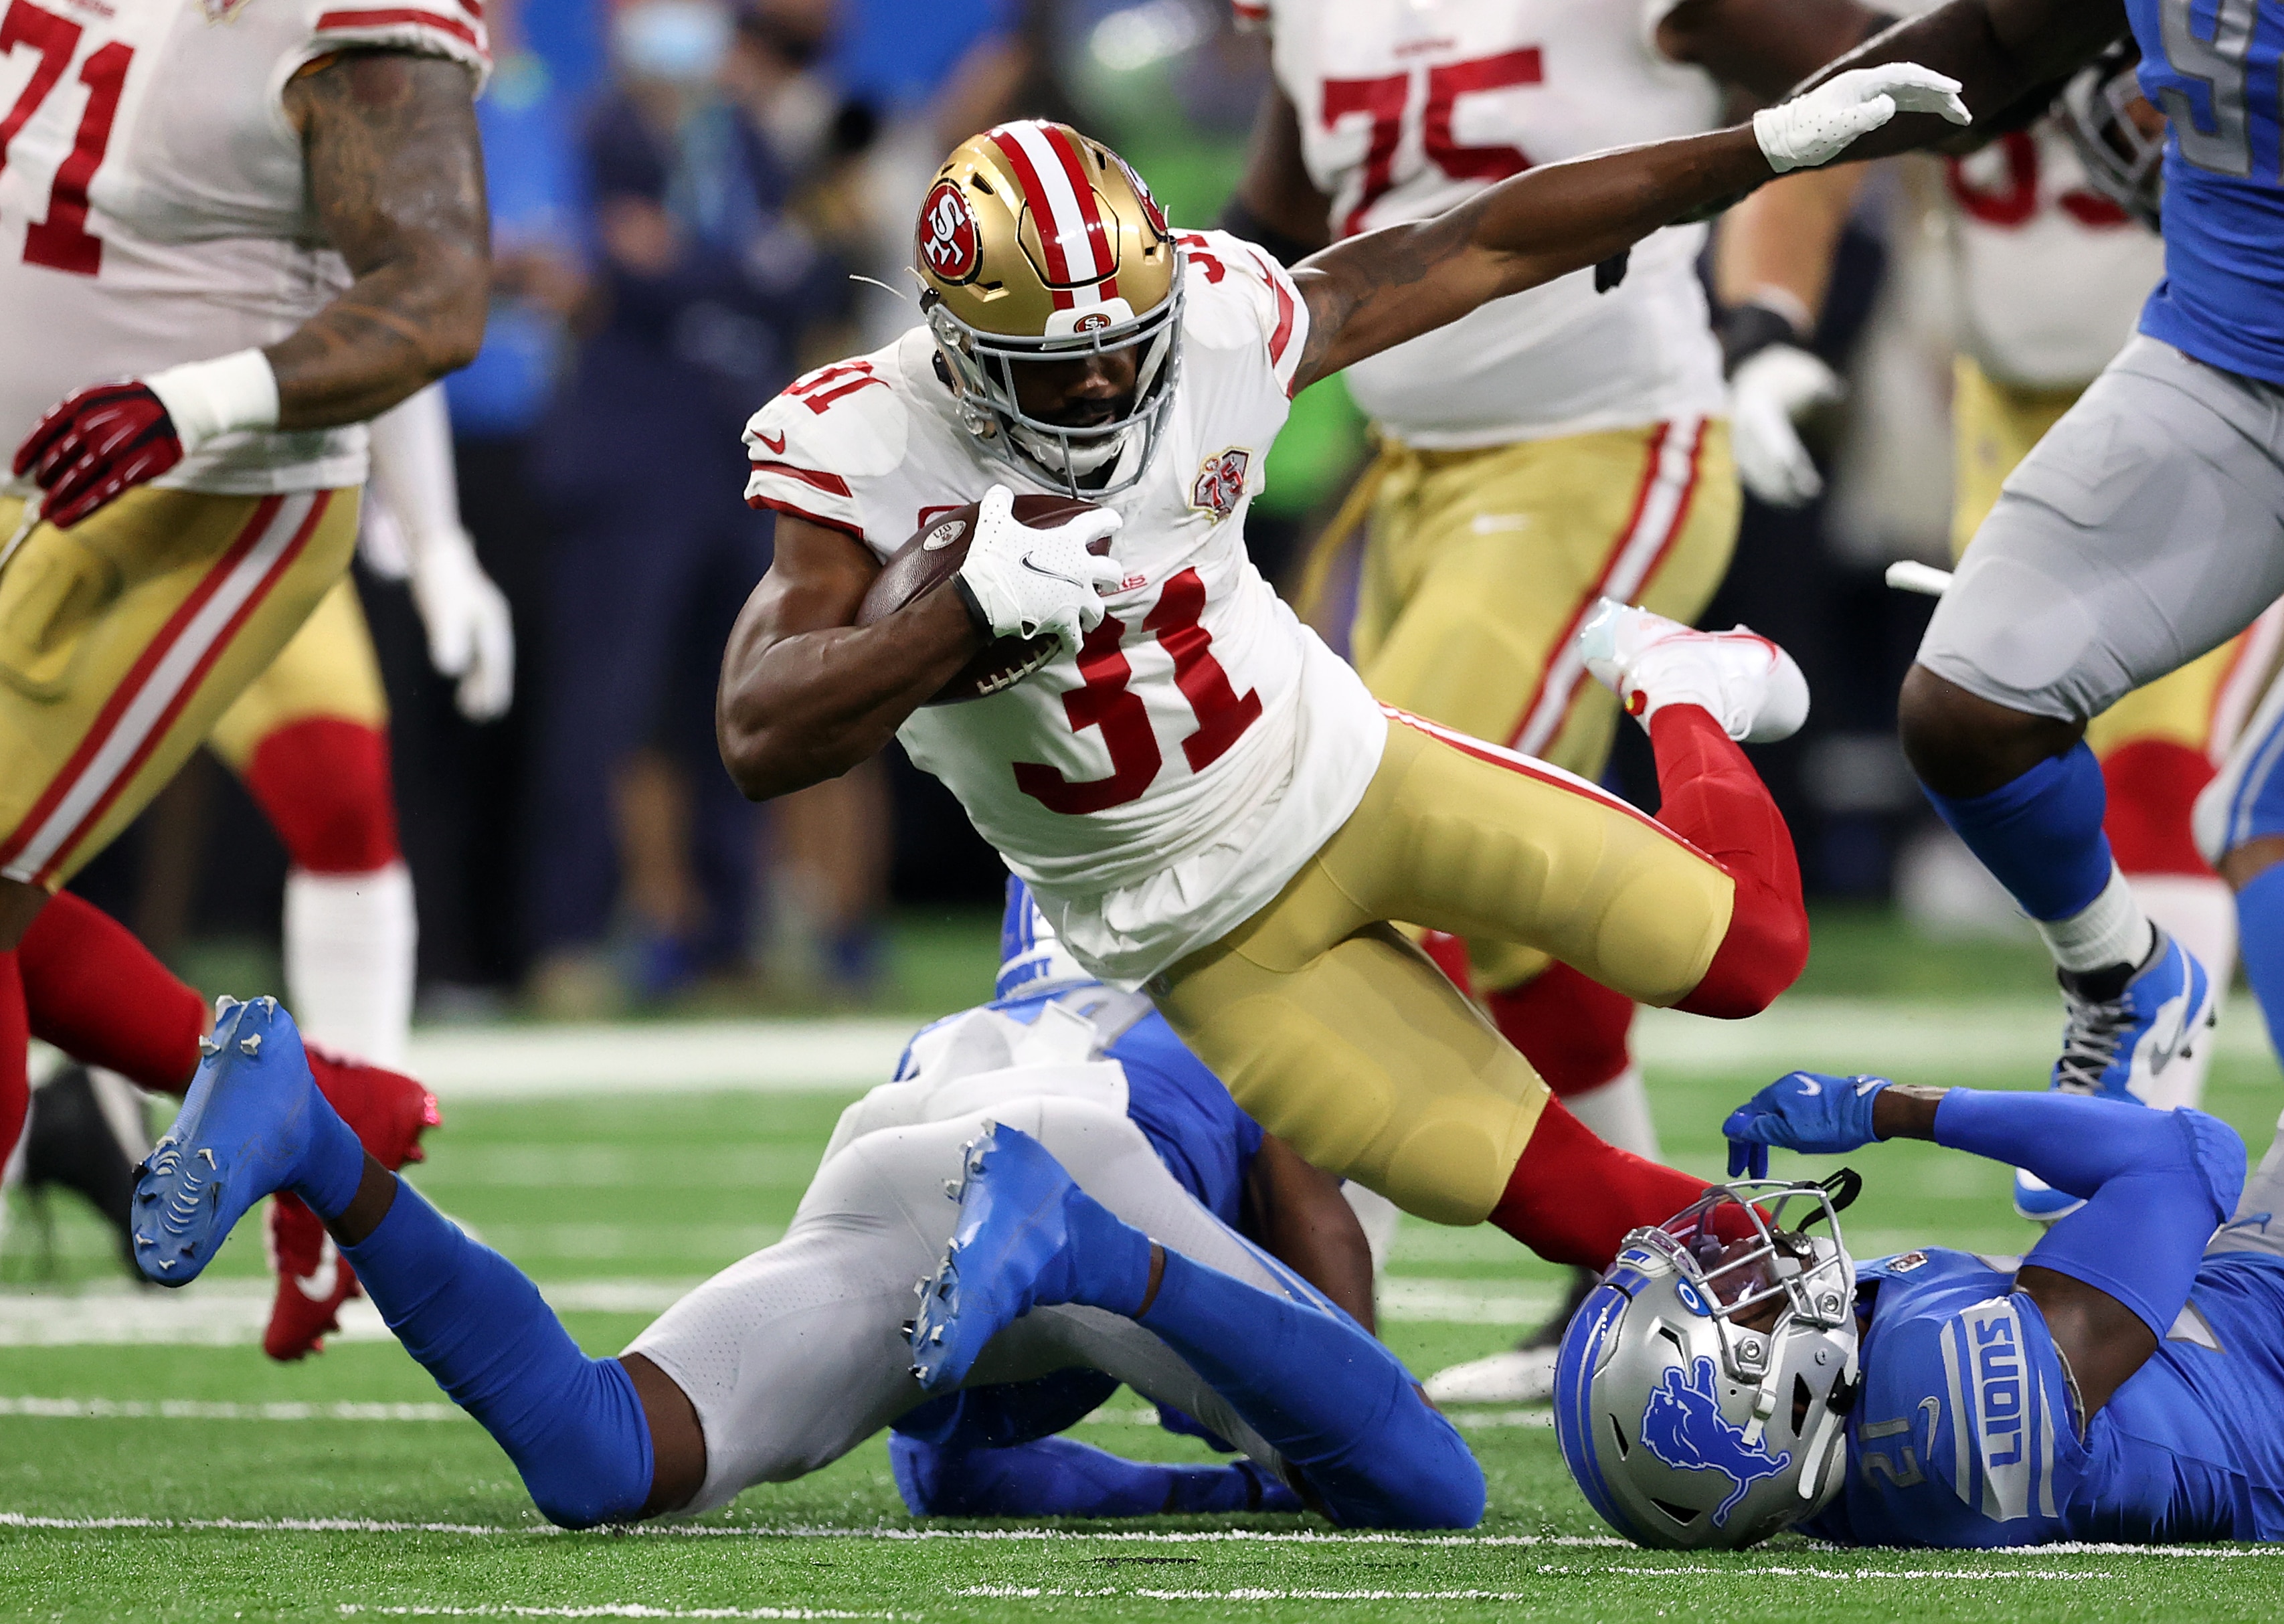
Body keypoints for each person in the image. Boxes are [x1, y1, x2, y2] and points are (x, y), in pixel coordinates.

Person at [719, 83, 1967, 1266]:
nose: (1103, 384)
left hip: (1348, 770)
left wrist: (1755, 148)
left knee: (1745, 954)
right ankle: (1849, 1315)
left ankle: (1681, 686)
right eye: (1060, 364)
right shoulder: (863, 442)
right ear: (955, 344)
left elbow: (1470, 244)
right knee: (1569, 1202)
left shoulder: (1216, 320)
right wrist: (960, 614)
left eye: (1127, 348)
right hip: (1205, 939)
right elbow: (757, 734)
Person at [121, 913, 1486, 1530]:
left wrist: (1223, 1492)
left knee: (601, 1453)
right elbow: (1356, 1407)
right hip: (1079, 1153)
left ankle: (314, 1140)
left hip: (906, 1143)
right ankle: (1078, 1240)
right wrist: (1292, 1454)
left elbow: (952, 1471)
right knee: (1432, 1483)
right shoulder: (1292, 956)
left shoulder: (1084, 922)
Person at [1712, 45, 2279, 1221]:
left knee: (2191, 790)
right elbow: (1814, 134)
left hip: (2208, 400)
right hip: (2019, 412)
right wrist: (1763, 329)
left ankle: (2126, 1182)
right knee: (1991, 725)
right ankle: (2124, 1091)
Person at [0, 4, 491, 1192]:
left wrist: (434, 539)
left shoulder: (346, 26)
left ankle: (329, 1117)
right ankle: (304, 1094)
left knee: (335, 795)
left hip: (188, 495)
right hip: (31, 467)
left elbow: (427, 292)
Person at [1559, 1067, 2279, 1548]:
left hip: (2246, 1304)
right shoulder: (1943, 1392)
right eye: (1729, 1303)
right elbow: (2192, 1156)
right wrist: (1885, 1106)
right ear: (1759, 1394)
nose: (1747, 1270)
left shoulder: (1823, 1464)